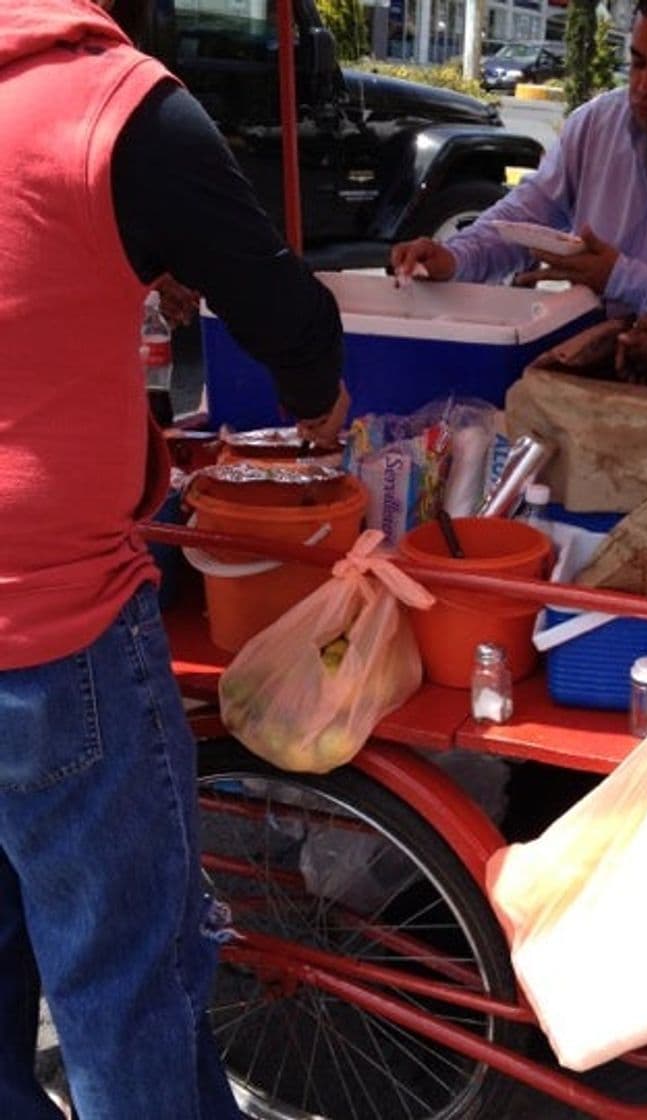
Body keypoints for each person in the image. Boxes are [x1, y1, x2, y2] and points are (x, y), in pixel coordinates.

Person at [0, 1, 349, 1116]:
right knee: (121, 990)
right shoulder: (116, 104)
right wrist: (322, 405)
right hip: (53, 636)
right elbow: (283, 308)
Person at [391, 0, 647, 320]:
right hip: (588, 363)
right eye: (638, 62)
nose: (645, 86)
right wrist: (455, 257)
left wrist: (623, 278)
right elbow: (525, 218)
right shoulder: (595, 124)